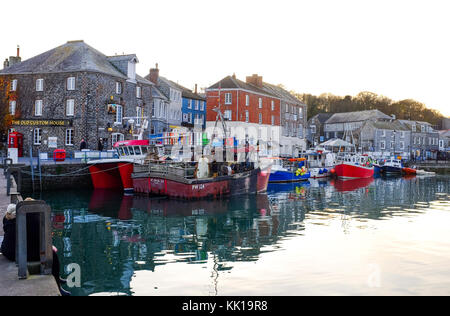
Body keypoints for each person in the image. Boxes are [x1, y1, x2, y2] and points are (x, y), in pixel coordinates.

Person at [1, 202, 70, 296]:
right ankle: (58, 286)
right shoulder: (30, 220)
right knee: (53, 255)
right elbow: (37, 238)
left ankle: (58, 277)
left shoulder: (7, 220)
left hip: (6, 250)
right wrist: (49, 247)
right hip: (17, 253)